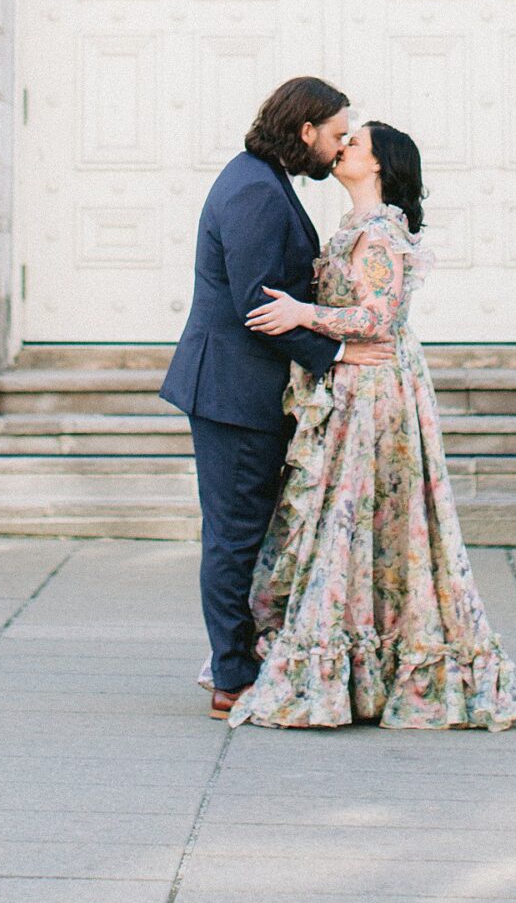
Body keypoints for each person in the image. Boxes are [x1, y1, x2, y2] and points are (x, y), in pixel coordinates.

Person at [233, 119, 516, 731]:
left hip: (376, 390)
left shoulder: (379, 231)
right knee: (350, 517)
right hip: (356, 385)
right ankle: (359, 664)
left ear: (378, 166)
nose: (342, 148)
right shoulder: (356, 228)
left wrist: (302, 313)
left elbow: (380, 315)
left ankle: (377, 665)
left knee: (363, 512)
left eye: (356, 143)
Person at [161, 75, 393, 718]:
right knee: (234, 537)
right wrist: (340, 354)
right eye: (338, 135)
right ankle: (233, 676)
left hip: (243, 389)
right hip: (235, 392)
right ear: (305, 131)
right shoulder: (257, 190)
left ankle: (243, 659)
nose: (341, 146)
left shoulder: (261, 179)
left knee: (246, 533)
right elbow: (259, 306)